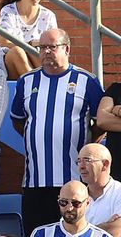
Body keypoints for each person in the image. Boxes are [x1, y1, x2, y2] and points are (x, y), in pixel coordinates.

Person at [13, 28, 104, 231]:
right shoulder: (26, 81)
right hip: (35, 180)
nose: (45, 51)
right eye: (41, 47)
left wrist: (85, 145)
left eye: (51, 47)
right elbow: (18, 121)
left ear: (66, 49)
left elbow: (101, 123)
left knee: (74, 232)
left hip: (73, 180)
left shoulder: (86, 81)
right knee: (36, 232)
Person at [0, 0, 59, 77]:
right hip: (11, 59)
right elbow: (4, 42)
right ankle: (35, 86)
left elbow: (53, 45)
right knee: (18, 51)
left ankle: (43, 83)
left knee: (39, 53)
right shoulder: (8, 10)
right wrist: (29, 46)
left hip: (37, 58)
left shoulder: (48, 15)